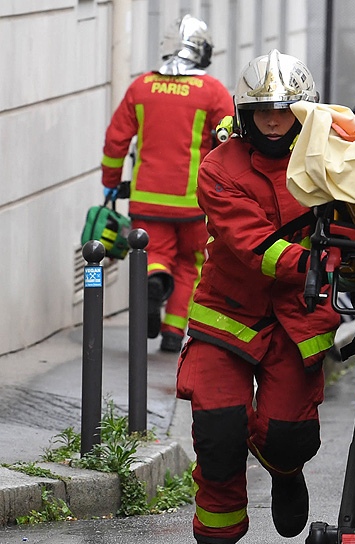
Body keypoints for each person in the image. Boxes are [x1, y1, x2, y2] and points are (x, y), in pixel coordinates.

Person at [174, 50, 341, 544]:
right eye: (263, 109)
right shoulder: (219, 167)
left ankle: (286, 473)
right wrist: (315, 265)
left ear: (304, 112)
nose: (273, 119)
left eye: (285, 109)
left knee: (290, 439)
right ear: (245, 114)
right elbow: (250, 243)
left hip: (298, 321)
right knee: (219, 431)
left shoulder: (333, 157)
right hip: (229, 315)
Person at [100, 14, 232, 353]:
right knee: (191, 263)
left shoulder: (141, 86)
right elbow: (230, 143)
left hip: (147, 199)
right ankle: (174, 332)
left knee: (153, 254)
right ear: (201, 52)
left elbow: (116, 141)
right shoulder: (213, 91)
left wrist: (110, 182)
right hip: (194, 203)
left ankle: (155, 282)